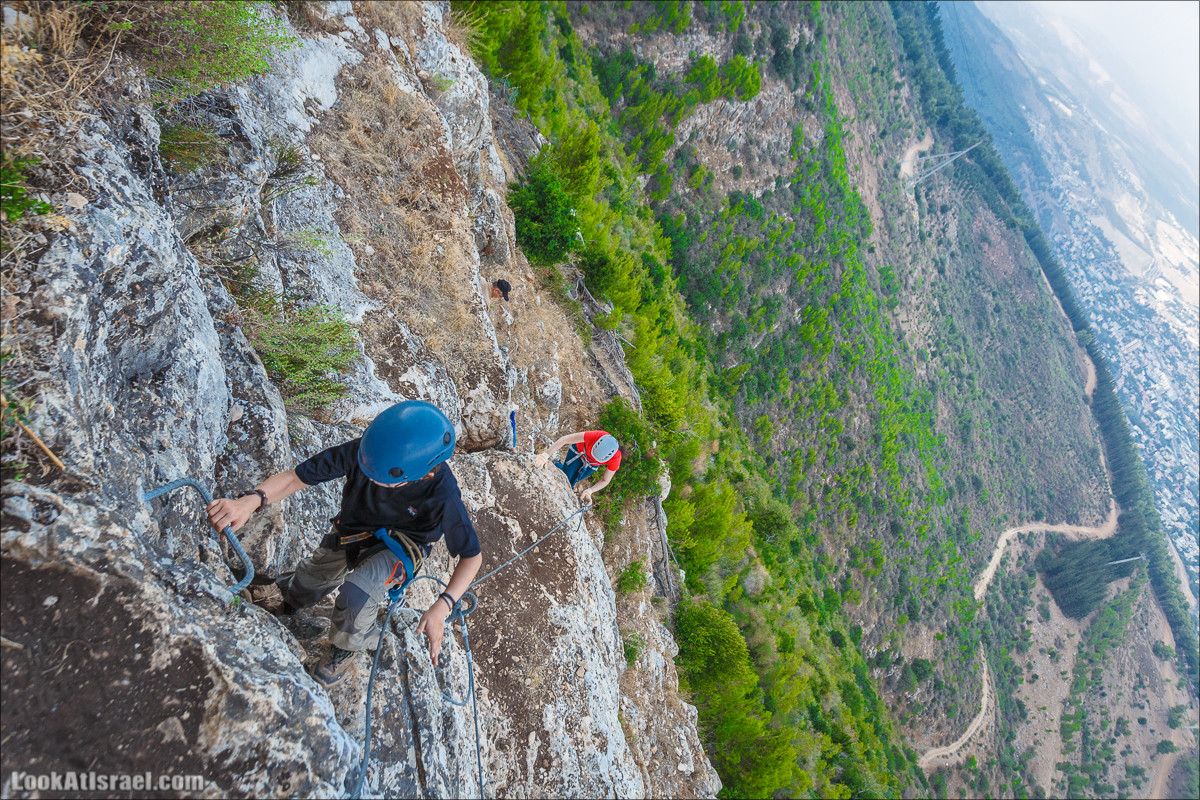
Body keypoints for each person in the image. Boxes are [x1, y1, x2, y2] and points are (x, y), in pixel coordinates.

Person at [206, 401, 482, 687]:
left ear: (424, 475)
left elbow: (472, 557)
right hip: (353, 529)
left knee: (356, 595)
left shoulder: (443, 495)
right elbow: (296, 478)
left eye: (382, 477)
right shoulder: (369, 453)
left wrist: (443, 605)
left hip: (401, 546)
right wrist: (251, 500)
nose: (370, 474)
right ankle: (289, 598)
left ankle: (348, 644)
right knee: (312, 578)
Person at [534, 429, 621, 505]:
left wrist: (589, 491)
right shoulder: (595, 436)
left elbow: (605, 480)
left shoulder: (616, 458)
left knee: (571, 483)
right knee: (566, 477)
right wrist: (545, 455)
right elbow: (565, 439)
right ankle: (556, 463)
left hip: (591, 465)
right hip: (579, 450)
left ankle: (559, 467)